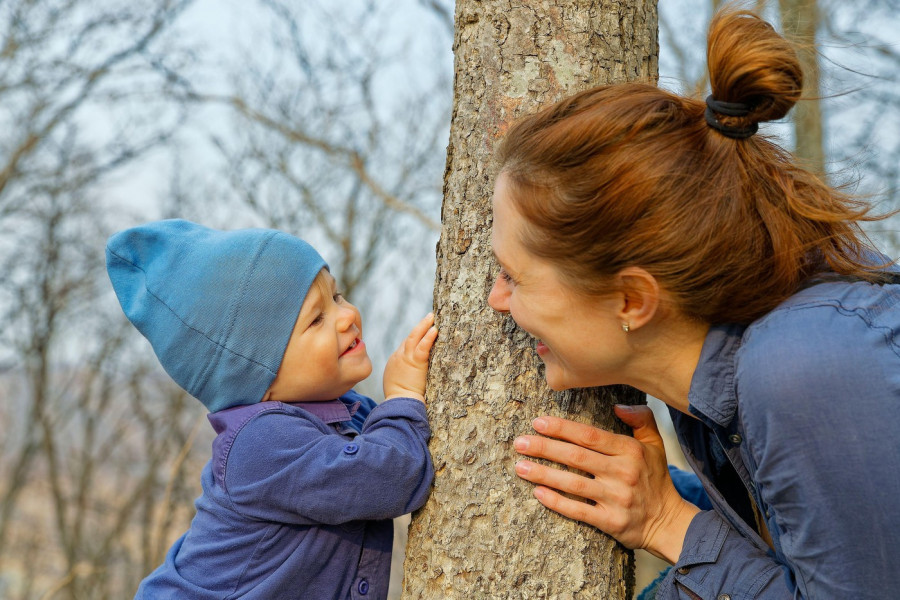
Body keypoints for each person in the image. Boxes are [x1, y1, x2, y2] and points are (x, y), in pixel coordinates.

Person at [487, 6, 900, 600]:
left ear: (632, 299)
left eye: (514, 276)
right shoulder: (714, 381)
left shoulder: (809, 365)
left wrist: (669, 523)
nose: (497, 302)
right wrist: (675, 497)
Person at [106, 219, 437, 600]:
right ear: (258, 376)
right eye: (317, 318)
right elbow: (394, 478)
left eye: (338, 296)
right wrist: (402, 396)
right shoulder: (262, 443)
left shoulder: (348, 412)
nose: (347, 315)